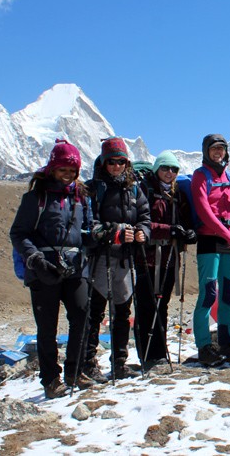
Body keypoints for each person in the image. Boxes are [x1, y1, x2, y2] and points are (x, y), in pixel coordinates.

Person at [9, 139, 94, 398]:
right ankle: (50, 379)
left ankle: (75, 370)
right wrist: (35, 259)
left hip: (75, 267)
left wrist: (98, 236)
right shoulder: (36, 198)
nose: (67, 175)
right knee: (47, 326)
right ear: (52, 169)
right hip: (44, 268)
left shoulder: (81, 198)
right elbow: (19, 233)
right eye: (63, 170)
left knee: (81, 316)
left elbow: (87, 231)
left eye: (72, 171)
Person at [82, 137, 151, 382]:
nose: (116, 166)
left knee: (122, 312)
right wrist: (115, 231)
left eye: (121, 161)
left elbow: (144, 216)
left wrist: (143, 231)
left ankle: (119, 363)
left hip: (125, 259)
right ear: (103, 162)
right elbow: (87, 224)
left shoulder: (134, 188)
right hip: (99, 258)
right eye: (111, 162)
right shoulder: (92, 189)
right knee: (95, 313)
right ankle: (87, 363)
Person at [133, 151, 197, 371]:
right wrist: (169, 230)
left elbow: (186, 220)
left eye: (174, 169)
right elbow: (140, 223)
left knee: (162, 306)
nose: (170, 173)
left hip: (169, 258)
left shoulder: (177, 193)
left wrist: (189, 232)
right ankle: (148, 355)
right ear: (156, 169)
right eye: (165, 168)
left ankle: (160, 354)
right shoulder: (144, 190)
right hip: (146, 258)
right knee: (146, 307)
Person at [192, 134, 230, 366]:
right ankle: (204, 346)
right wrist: (226, 234)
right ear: (206, 151)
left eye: (221, 149)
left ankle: (227, 343)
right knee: (209, 294)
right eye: (214, 149)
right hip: (210, 240)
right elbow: (204, 209)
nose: (218, 152)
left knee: (227, 294)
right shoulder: (200, 175)